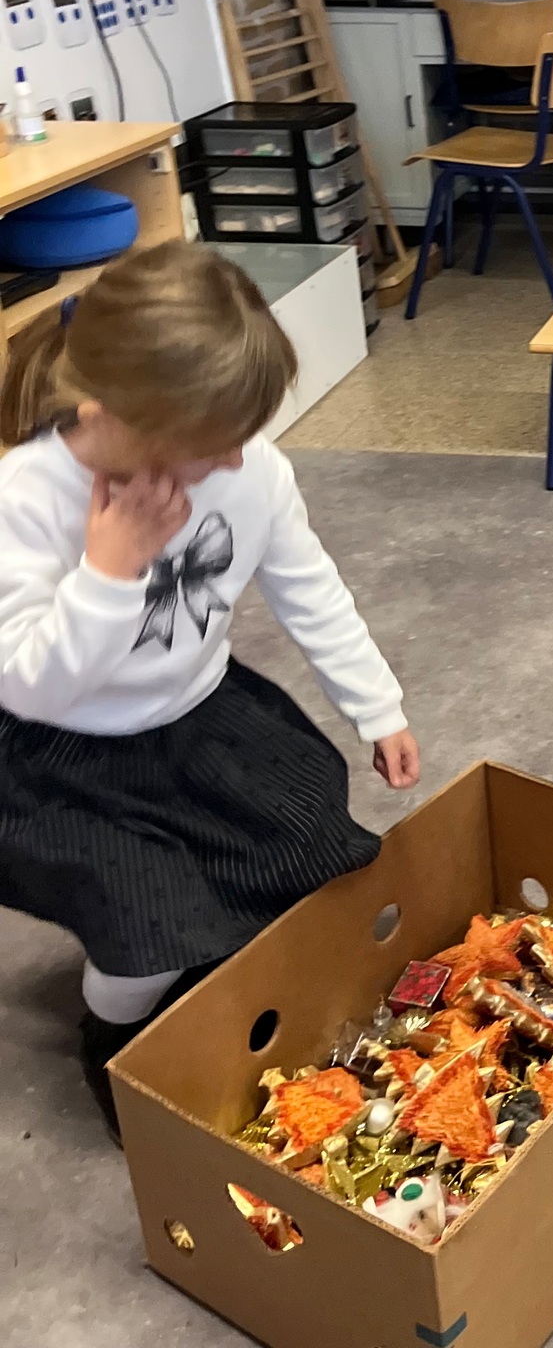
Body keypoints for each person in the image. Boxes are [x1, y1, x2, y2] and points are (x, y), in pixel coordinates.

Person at [0, 242, 421, 1140]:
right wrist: (109, 570)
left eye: (242, 435)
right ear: (110, 415)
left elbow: (308, 586)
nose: (234, 462)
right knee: (145, 928)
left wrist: (376, 705)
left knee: (309, 835)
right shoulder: (26, 498)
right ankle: (117, 1038)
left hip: (198, 714)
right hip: (61, 753)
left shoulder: (247, 466)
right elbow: (32, 685)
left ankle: (219, 970)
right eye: (208, 445)